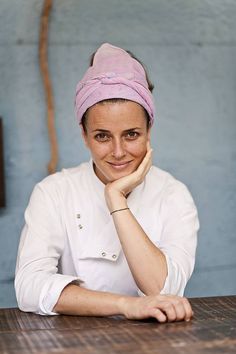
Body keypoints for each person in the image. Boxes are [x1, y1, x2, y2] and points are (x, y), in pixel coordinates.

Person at [15, 43, 199, 323]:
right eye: (102, 136)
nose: (117, 152)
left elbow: (163, 289)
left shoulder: (173, 195)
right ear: (84, 135)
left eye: (131, 134)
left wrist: (116, 199)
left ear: (149, 129)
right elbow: (29, 288)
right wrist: (126, 305)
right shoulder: (54, 192)